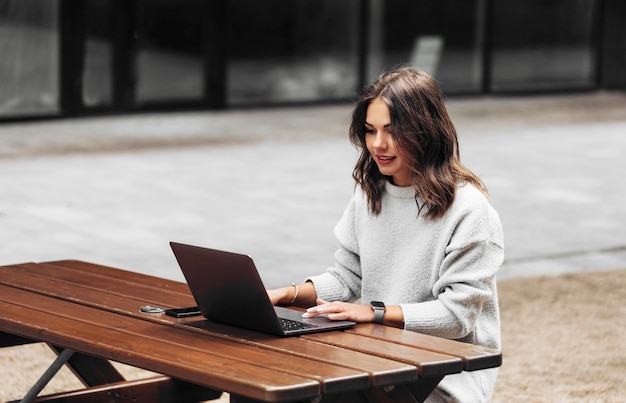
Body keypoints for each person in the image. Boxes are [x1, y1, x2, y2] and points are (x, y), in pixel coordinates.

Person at [268, 66, 504, 402]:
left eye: (392, 131)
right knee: (276, 386)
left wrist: (374, 312)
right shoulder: (371, 194)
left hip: (443, 376)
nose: (378, 144)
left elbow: (457, 318)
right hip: (378, 361)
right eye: (370, 130)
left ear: (425, 131)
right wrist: (285, 294)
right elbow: (348, 276)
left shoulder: (469, 209)